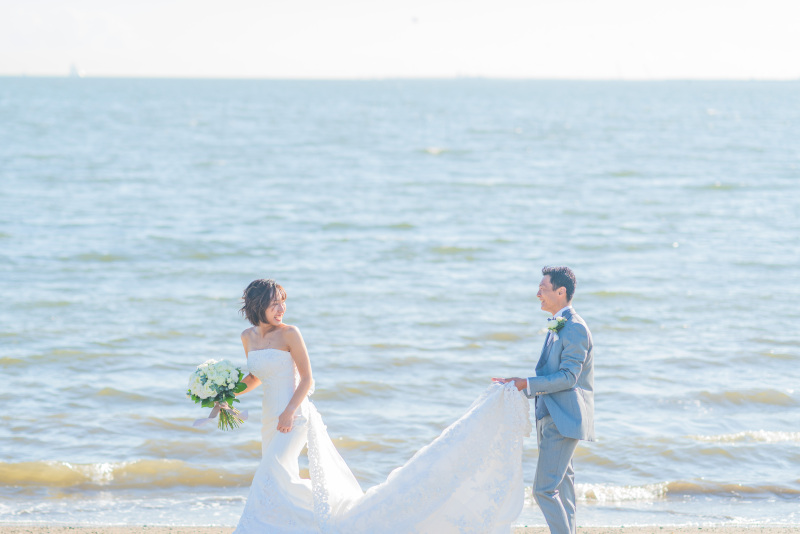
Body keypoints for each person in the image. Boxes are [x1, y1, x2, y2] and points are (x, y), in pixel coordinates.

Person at [232, 279, 531, 534]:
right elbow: (256, 377)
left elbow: (307, 379)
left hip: (294, 415)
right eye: (275, 303)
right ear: (258, 305)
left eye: (283, 302)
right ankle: (304, 522)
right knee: (279, 476)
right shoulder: (248, 337)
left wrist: (289, 411)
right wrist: (225, 394)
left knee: (272, 473)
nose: (281, 308)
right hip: (268, 417)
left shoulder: (290, 333)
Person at [494, 266, 594, 534]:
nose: (537, 293)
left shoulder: (574, 327)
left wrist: (527, 384)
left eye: (543, 288)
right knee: (563, 488)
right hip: (552, 415)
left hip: (563, 418)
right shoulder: (559, 323)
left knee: (543, 490)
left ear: (561, 292)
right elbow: (551, 372)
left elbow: (569, 377)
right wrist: (521, 382)